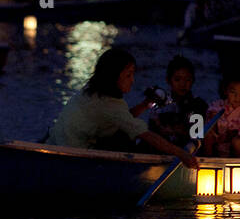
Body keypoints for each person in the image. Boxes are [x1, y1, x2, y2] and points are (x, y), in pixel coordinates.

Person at [42, 47, 200, 168]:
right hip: (75, 154)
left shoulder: (91, 90)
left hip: (55, 142)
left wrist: (144, 105)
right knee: (127, 138)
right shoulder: (110, 104)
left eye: (133, 74)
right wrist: (182, 155)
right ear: (113, 77)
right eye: (128, 75)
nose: (132, 80)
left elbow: (123, 118)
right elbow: (144, 133)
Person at [147, 55, 210, 147]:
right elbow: (152, 131)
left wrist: (180, 130)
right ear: (169, 80)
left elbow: (197, 135)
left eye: (187, 80)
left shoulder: (198, 104)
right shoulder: (160, 103)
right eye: (177, 79)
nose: (182, 84)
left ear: (193, 81)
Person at [202, 74, 240, 158]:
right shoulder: (217, 106)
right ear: (225, 91)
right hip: (219, 143)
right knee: (207, 135)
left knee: (237, 142)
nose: (237, 97)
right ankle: (208, 161)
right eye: (233, 92)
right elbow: (211, 120)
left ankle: (238, 166)